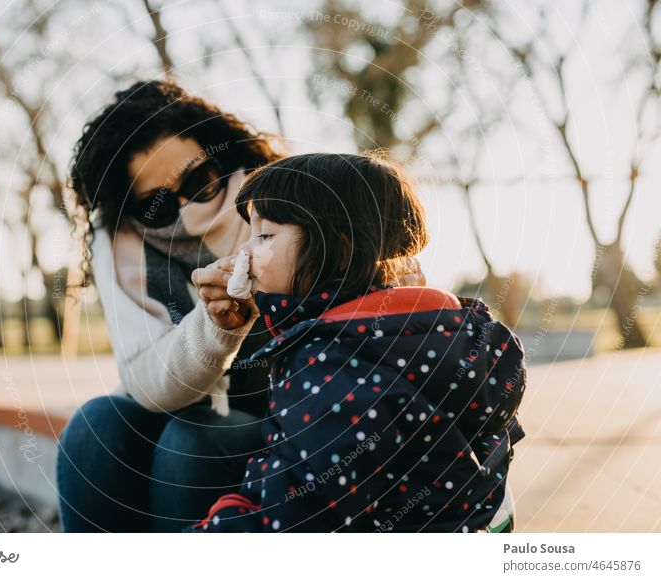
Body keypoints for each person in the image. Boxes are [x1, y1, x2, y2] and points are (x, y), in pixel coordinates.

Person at [56, 80, 427, 532]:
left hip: (287, 417)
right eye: (156, 205)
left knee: (194, 439)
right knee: (96, 426)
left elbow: (391, 296)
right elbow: (145, 381)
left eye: (198, 180)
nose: (186, 207)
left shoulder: (285, 196)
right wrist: (216, 328)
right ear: (128, 208)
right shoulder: (119, 238)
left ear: (222, 152)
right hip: (170, 408)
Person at [183, 152, 527, 532]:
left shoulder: (331, 365)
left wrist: (219, 526)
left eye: (264, 235)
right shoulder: (444, 334)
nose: (244, 252)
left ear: (340, 252)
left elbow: (301, 515)